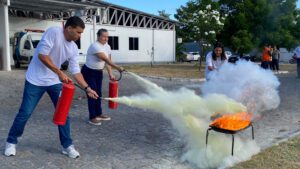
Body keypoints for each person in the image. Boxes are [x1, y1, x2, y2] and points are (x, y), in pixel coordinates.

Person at [4, 16, 99, 158]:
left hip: (53, 82)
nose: (80, 36)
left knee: (63, 113)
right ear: (69, 28)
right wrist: (59, 72)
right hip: (35, 79)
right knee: (25, 113)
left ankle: (67, 146)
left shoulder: (73, 48)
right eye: (78, 32)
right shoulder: (54, 32)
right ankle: (11, 142)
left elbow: (75, 71)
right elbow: (43, 56)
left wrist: (87, 88)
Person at [81, 29, 124, 125]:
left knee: (98, 93)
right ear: (98, 36)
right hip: (89, 72)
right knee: (92, 93)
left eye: (107, 36)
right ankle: (92, 117)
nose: (106, 38)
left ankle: (99, 114)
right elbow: (104, 58)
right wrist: (117, 67)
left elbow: (108, 61)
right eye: (104, 36)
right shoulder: (95, 46)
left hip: (98, 72)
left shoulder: (107, 46)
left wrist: (110, 73)